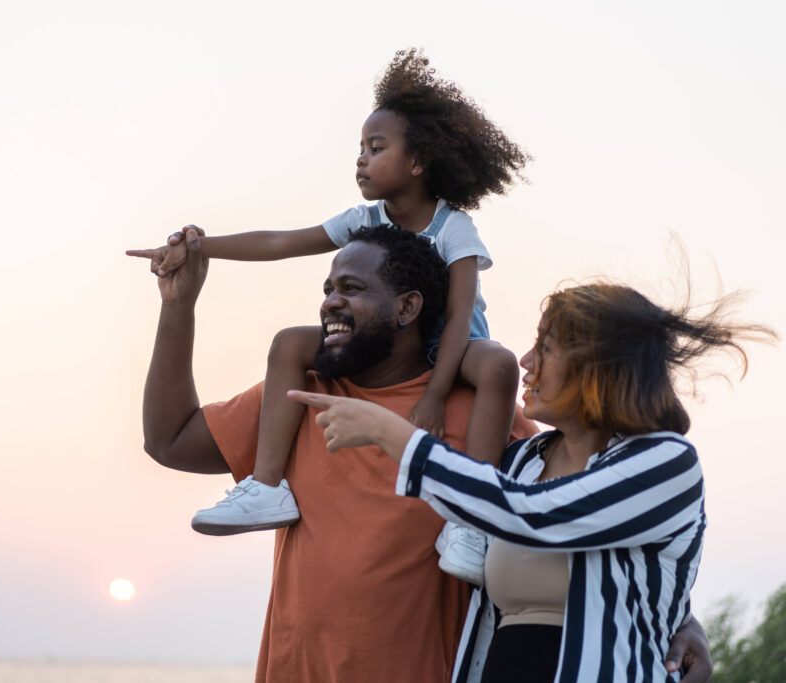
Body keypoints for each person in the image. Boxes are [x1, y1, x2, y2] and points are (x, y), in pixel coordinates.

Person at [137, 225, 715, 682]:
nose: (330, 304)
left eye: (352, 290)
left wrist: (679, 618)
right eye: (327, 289)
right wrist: (177, 307)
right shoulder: (300, 398)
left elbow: (566, 513)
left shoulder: (489, 426)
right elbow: (169, 439)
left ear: (409, 308)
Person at [128, 48, 528, 585]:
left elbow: (457, 315)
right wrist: (201, 246)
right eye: (360, 147)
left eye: (376, 148)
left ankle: (471, 517)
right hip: (400, 346)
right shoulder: (363, 220)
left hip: (455, 346)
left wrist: (435, 393)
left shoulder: (454, 228)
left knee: (500, 365)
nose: (361, 158)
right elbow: (281, 241)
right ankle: (268, 486)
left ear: (418, 162)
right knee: (289, 342)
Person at [289, 278, 773, 682]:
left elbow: (533, 514)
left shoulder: (665, 462)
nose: (525, 361)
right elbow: (473, 505)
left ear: (598, 367)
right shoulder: (520, 460)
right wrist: (684, 618)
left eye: (545, 347)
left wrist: (390, 433)